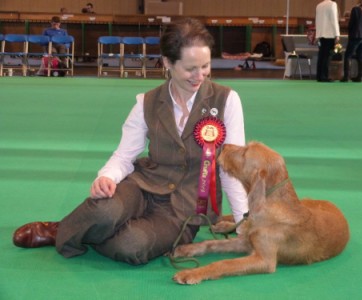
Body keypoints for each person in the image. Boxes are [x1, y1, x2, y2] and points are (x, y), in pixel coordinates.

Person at [13, 18, 249, 265]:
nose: (199, 75)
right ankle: (63, 229)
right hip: (143, 186)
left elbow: (231, 169)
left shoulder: (227, 100)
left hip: (183, 210)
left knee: (131, 246)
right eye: (190, 68)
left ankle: (81, 227)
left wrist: (244, 225)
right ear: (168, 62)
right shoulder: (145, 102)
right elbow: (124, 156)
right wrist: (106, 177)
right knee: (105, 209)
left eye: (205, 66)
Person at [340, 0, 362, 82]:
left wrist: (350, 33)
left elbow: (351, 23)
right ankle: (360, 77)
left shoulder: (355, 9)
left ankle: (346, 76)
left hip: (355, 35)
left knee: (348, 56)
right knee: (361, 57)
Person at [315, 0, 341, 82]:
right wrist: (337, 34)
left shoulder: (319, 5)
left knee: (321, 56)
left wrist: (317, 35)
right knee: (327, 56)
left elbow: (317, 21)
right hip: (329, 34)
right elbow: (334, 20)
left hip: (321, 34)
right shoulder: (332, 4)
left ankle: (319, 76)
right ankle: (324, 76)